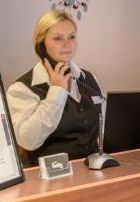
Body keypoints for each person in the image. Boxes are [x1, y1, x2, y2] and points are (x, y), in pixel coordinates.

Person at [7, 10, 104, 166]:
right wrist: (56, 92)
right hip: (50, 175)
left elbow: (101, 129)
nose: (67, 44)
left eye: (71, 37)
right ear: (41, 44)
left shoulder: (88, 78)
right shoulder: (21, 89)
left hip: (93, 170)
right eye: (58, 38)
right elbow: (28, 141)